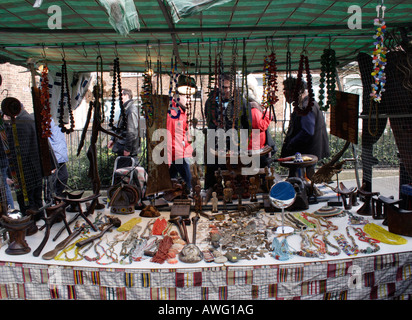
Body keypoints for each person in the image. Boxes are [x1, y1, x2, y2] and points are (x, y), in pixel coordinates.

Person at [204, 73, 252, 190]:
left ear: (233, 87)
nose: (224, 90)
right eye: (222, 87)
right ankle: (211, 192)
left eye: (227, 87)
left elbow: (248, 125)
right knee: (213, 173)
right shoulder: (210, 102)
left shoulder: (242, 102)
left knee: (234, 175)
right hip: (214, 144)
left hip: (234, 145)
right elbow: (209, 120)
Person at [280, 77, 330, 179]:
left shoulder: (306, 107)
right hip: (307, 154)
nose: (284, 94)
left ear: (296, 91)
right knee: (304, 182)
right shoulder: (308, 104)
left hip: (306, 154)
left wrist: (291, 143)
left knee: (303, 182)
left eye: (286, 90)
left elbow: (307, 132)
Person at [3, 100, 43, 216]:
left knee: (28, 201)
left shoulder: (20, 123)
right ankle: (39, 219)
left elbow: (20, 153)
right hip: (35, 168)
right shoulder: (30, 119)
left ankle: (31, 223)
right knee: (36, 198)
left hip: (26, 170)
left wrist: (13, 174)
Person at [246, 74, 274, 168]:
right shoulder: (253, 109)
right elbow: (260, 125)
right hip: (255, 149)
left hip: (254, 148)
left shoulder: (250, 107)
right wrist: (268, 115)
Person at [167, 93, 193, 193]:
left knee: (170, 178)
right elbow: (169, 134)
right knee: (188, 179)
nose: (189, 100)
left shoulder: (181, 112)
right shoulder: (173, 114)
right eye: (186, 97)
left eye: (189, 97)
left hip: (179, 151)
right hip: (177, 152)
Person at [108, 88, 140, 159]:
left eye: (120, 95)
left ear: (126, 95)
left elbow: (131, 131)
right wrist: (112, 139)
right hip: (123, 147)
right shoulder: (125, 109)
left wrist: (127, 149)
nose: (119, 98)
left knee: (127, 168)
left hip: (127, 150)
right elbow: (119, 127)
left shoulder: (131, 110)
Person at [48, 118, 69, 198]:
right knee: (52, 180)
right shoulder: (47, 120)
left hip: (61, 156)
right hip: (53, 156)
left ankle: (58, 196)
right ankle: (51, 199)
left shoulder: (58, 119)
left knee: (64, 176)